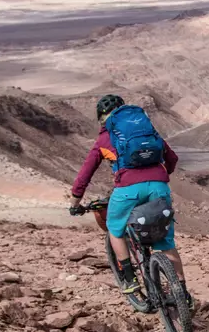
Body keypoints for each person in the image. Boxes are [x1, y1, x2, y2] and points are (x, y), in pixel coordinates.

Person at [69, 94, 188, 302]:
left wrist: (75, 202)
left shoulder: (104, 140)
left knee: (114, 228)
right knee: (166, 241)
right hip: (159, 187)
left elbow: (84, 175)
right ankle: (183, 294)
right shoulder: (146, 131)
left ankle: (129, 278)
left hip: (127, 189)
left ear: (102, 118)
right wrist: (158, 177)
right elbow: (172, 158)